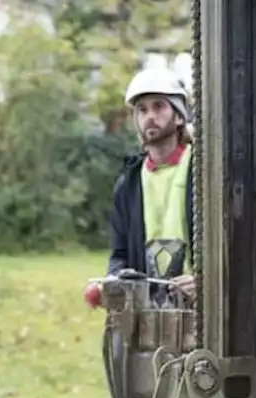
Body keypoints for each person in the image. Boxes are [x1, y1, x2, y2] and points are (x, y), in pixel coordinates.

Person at [84, 67, 196, 308]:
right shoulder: (128, 183)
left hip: (201, 309)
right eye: (142, 110)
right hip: (147, 312)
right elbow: (119, 253)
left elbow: (230, 243)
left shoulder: (203, 170)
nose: (150, 116)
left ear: (178, 116)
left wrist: (205, 282)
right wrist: (112, 283)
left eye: (159, 106)